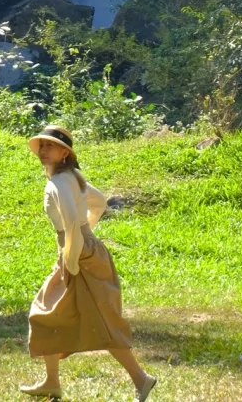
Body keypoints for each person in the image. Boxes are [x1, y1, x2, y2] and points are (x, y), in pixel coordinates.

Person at [22, 124, 156, 402]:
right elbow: (99, 203)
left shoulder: (58, 182)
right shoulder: (74, 177)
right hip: (84, 249)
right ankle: (51, 382)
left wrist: (72, 257)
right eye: (42, 146)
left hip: (78, 255)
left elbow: (71, 221)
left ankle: (141, 379)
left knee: (92, 320)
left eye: (51, 146)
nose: (44, 151)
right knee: (51, 313)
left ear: (65, 153)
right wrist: (87, 234)